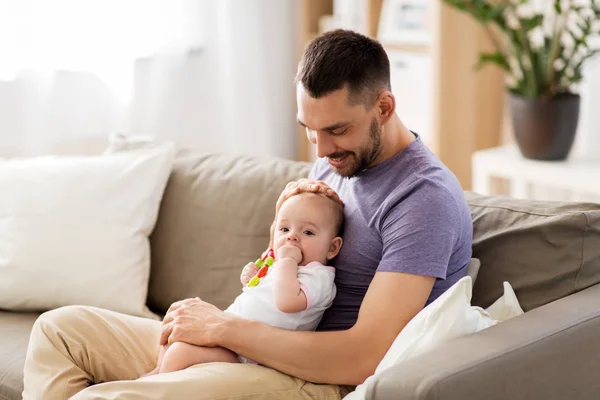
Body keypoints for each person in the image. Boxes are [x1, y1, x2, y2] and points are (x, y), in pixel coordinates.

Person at [22, 29, 472, 399]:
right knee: (61, 330)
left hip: (312, 379)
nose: (323, 149)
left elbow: (365, 356)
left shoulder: (421, 198)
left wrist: (222, 327)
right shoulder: (331, 168)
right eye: (310, 131)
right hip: (251, 348)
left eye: (337, 130)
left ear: (385, 106)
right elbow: (275, 275)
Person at [141, 191, 343, 376]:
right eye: (284, 229)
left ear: (332, 248)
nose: (292, 237)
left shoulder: (318, 277)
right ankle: (159, 370)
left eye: (308, 232)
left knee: (181, 353)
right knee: (176, 322)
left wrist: (287, 261)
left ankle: (160, 383)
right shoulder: (283, 265)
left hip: (253, 355)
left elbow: (286, 302)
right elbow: (262, 294)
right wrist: (252, 277)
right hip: (228, 331)